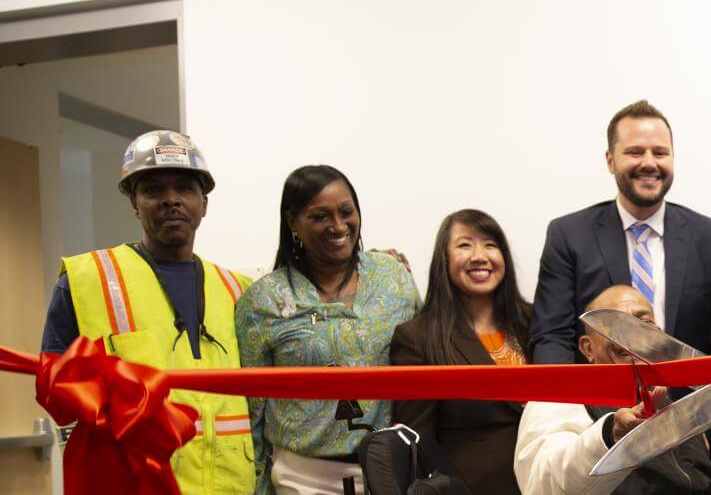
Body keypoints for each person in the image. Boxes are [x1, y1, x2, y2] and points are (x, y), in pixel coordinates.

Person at [39, 130, 255, 494]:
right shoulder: (86, 279)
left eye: (185, 188)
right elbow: (54, 387)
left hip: (232, 485)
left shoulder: (241, 291)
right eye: (153, 190)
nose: (171, 200)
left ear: (204, 202)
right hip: (134, 483)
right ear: (135, 203)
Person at [236, 165, 421, 494]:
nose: (338, 226)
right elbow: (253, 412)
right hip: (303, 477)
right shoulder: (263, 301)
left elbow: (421, 360)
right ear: (293, 223)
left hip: (390, 470)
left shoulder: (393, 278)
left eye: (346, 212)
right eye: (321, 216)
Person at [528, 99, 711, 366]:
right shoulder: (568, 235)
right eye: (635, 152)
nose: (649, 163)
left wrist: (696, 407)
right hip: (598, 404)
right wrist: (584, 408)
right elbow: (552, 339)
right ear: (610, 160)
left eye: (661, 152)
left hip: (690, 403)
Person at [514, 285, 710, 495]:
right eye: (615, 324)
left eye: (644, 322)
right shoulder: (556, 397)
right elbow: (542, 485)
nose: (634, 333)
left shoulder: (676, 404)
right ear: (588, 348)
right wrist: (609, 436)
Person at [390, 209, 530, 494]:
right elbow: (417, 445)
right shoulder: (417, 339)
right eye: (465, 245)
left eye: (491, 245)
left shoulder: (537, 323)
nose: (480, 256)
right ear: (444, 259)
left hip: (546, 483)